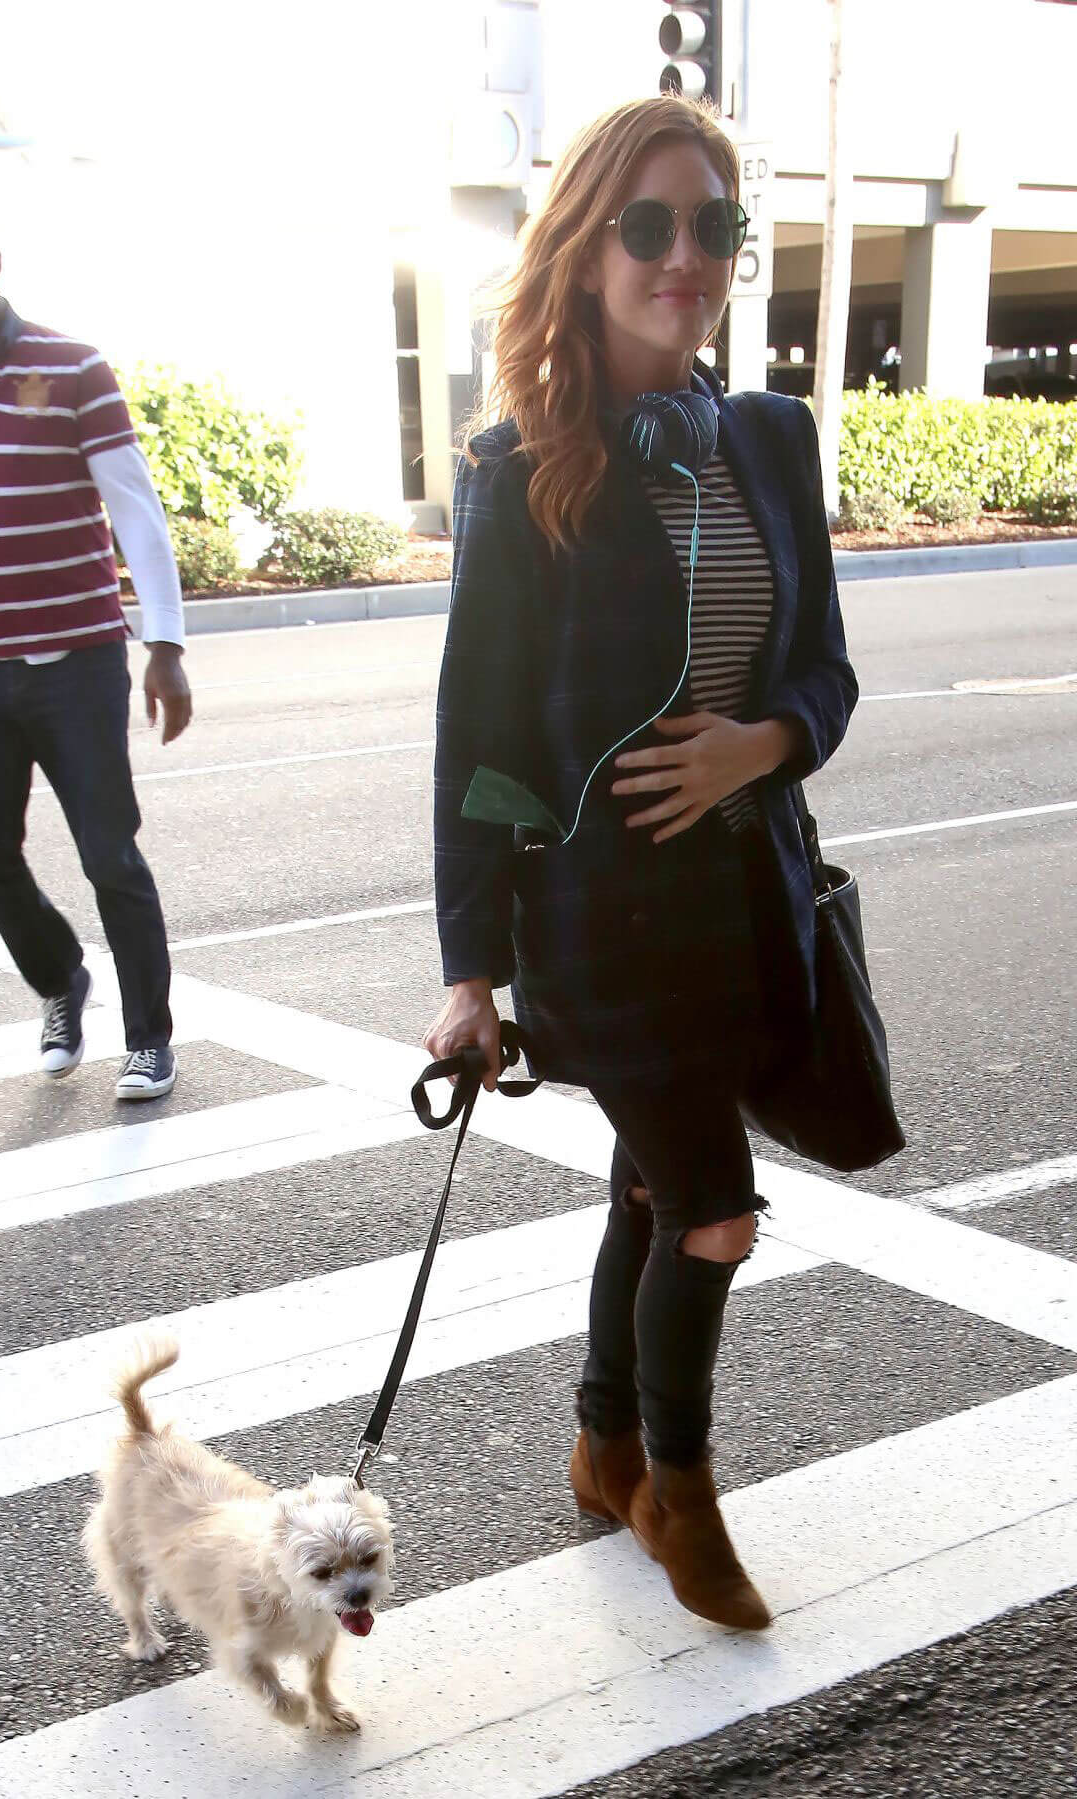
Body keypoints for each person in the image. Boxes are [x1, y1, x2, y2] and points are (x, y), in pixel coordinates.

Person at [425, 96, 857, 1630]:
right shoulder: (525, 464)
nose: (687, 257)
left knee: (648, 1191)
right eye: (652, 226)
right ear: (590, 245)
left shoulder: (771, 437)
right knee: (717, 1211)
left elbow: (826, 675)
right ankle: (681, 1488)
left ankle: (603, 1441)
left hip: (747, 903)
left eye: (715, 227)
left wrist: (763, 744)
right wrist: (470, 970)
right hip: (598, 917)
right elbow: (475, 731)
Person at [0, 187, 190, 1100]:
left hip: (79, 664)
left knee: (109, 855)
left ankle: (149, 1038)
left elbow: (135, 508)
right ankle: (61, 979)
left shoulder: (72, 365)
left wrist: (164, 643)